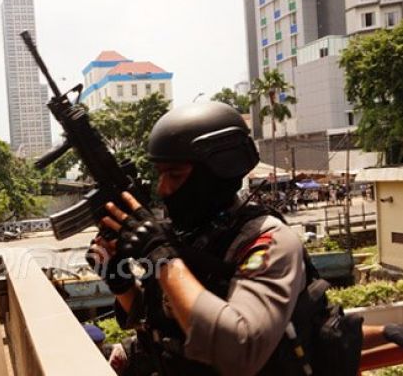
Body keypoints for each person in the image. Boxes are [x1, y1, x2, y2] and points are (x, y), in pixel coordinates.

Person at [91, 101, 307, 375]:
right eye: (160, 175)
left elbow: (241, 350)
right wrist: (119, 281)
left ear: (215, 173)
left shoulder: (268, 241)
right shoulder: (189, 235)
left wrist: (163, 257)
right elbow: (160, 320)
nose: (163, 188)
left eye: (175, 175)